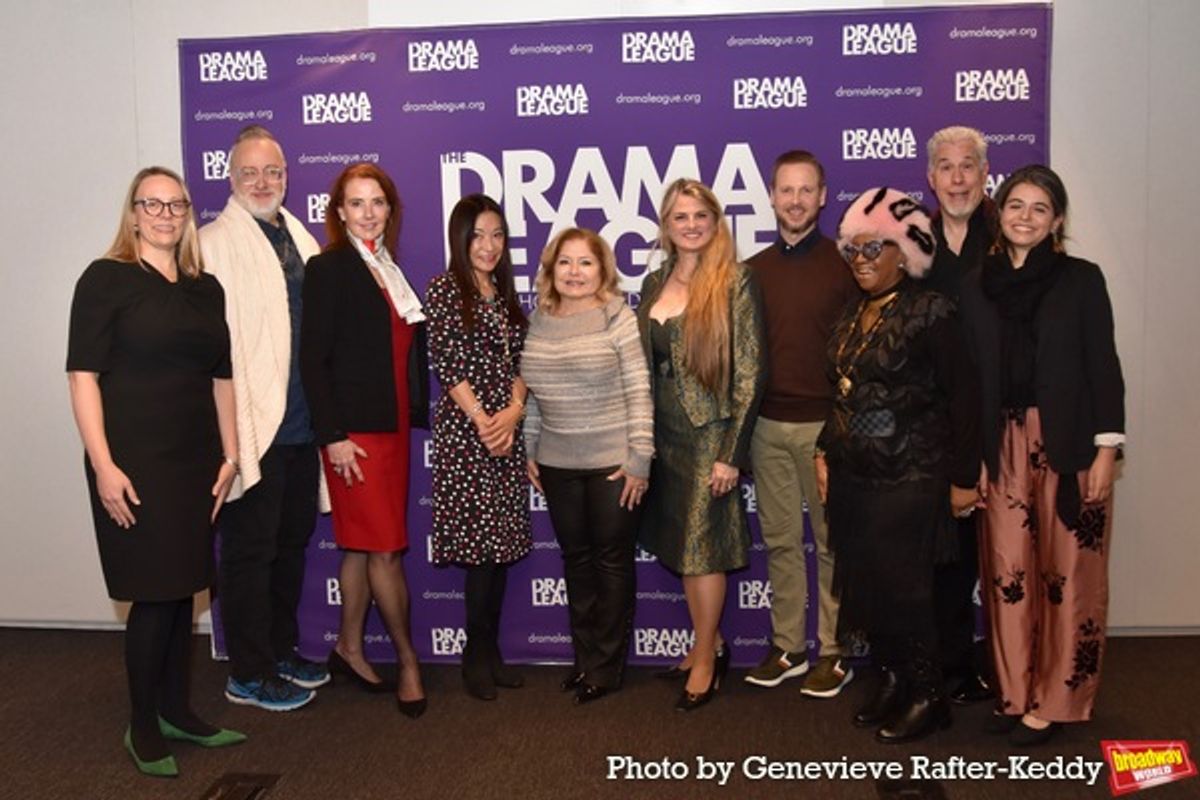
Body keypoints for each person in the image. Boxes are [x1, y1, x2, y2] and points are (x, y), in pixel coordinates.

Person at [68, 167, 245, 778]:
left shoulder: (206, 289)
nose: (166, 214)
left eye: (176, 205)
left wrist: (230, 456)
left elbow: (221, 378)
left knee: (183, 591)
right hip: (133, 462)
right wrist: (103, 465)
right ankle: (143, 724)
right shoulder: (106, 279)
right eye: (153, 204)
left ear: (188, 213)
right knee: (153, 593)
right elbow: (83, 376)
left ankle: (178, 711)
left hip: (195, 462)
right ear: (134, 213)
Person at [958, 165, 1124, 746]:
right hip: (999, 445)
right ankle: (1013, 692)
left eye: (1038, 208)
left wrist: (1107, 450)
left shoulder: (1081, 280)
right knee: (1007, 574)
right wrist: (974, 458)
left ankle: (1058, 700)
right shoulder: (978, 283)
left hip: (1069, 443)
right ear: (999, 216)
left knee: (1069, 576)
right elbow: (972, 378)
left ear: (1056, 220)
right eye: (1015, 206)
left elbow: (1103, 366)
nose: (1024, 216)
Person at [817, 187, 980, 743]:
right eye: (853, 250)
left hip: (913, 475)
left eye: (873, 249)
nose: (860, 261)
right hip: (856, 476)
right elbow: (854, 401)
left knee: (908, 588)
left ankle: (929, 694)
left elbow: (960, 399)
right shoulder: (854, 310)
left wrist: (963, 479)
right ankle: (891, 678)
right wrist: (827, 447)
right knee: (869, 585)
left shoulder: (929, 310)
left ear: (903, 252)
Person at [199, 125, 328, 711]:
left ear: (286, 176)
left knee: (290, 545)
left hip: (301, 422)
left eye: (272, 172)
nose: (261, 182)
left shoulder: (300, 235)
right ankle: (246, 672)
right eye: (249, 172)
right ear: (230, 178)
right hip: (251, 425)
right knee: (250, 553)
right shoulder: (210, 244)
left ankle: (278, 651)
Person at [300, 164, 430, 717]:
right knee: (382, 549)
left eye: (378, 202)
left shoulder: (388, 269)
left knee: (359, 542)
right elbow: (314, 359)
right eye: (357, 203)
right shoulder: (329, 268)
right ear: (340, 213)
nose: (369, 212)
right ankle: (408, 662)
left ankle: (349, 646)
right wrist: (332, 436)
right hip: (356, 438)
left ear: (390, 209)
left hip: (393, 429)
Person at [636, 178, 765, 712]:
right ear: (666, 227)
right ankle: (703, 641)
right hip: (662, 434)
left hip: (710, 432)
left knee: (702, 551)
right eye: (679, 217)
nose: (690, 226)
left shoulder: (736, 280)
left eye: (699, 217)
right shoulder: (653, 281)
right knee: (683, 549)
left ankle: (709, 658)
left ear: (715, 222)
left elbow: (751, 374)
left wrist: (730, 453)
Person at [522, 228, 654, 705]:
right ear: (551, 269)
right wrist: (531, 445)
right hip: (557, 461)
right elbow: (535, 391)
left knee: (611, 562)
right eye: (565, 263)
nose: (574, 273)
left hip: (612, 462)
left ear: (603, 270)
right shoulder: (539, 319)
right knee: (576, 562)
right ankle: (584, 660)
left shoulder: (617, 316)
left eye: (585, 263)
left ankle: (606, 666)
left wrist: (640, 457)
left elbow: (639, 388)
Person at [744, 150, 859, 696]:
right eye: (786, 190)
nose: (795, 200)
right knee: (781, 541)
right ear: (772, 196)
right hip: (768, 428)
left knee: (833, 541)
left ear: (822, 195)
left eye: (805, 190)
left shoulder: (846, 265)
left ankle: (834, 651)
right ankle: (789, 645)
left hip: (826, 431)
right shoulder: (752, 271)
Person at [426, 194, 532, 701]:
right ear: (460, 239)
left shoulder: (508, 295)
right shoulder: (445, 290)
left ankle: (492, 651)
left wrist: (511, 415)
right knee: (481, 552)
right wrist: (485, 422)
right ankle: (474, 657)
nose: (489, 246)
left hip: (506, 434)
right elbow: (448, 363)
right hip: (468, 437)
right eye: (478, 236)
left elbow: (523, 364)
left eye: (497, 235)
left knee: (501, 547)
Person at [925, 126, 1000, 707]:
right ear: (931, 178)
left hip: (1001, 423)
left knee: (1001, 557)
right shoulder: (910, 242)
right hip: (928, 428)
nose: (956, 179)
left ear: (983, 174)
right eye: (945, 168)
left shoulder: (1010, 238)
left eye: (966, 167)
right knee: (942, 555)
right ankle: (947, 665)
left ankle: (1010, 669)